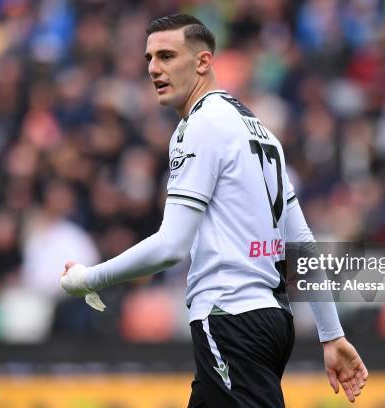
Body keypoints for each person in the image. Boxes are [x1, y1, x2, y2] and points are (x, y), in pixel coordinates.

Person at [60, 13, 368, 407]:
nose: (155, 69)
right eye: (149, 58)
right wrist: (331, 334)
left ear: (203, 62)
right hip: (271, 320)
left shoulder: (200, 126)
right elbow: (302, 243)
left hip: (230, 318)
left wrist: (89, 279)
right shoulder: (262, 132)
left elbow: (171, 247)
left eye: (168, 56)